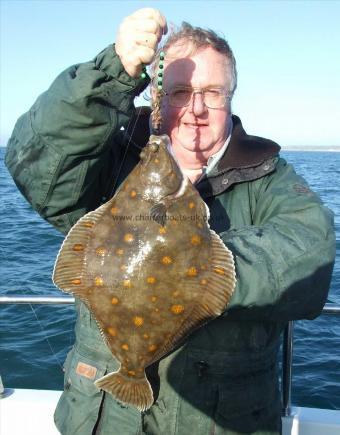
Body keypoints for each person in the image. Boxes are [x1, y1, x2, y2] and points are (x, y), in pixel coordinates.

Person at [5, 7, 335, 435]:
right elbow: (37, 163)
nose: (196, 108)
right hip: (104, 418)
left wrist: (188, 260)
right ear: (156, 97)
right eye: (180, 91)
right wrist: (114, 71)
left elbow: (310, 252)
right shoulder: (109, 163)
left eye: (212, 92)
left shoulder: (268, 175)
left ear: (231, 98)